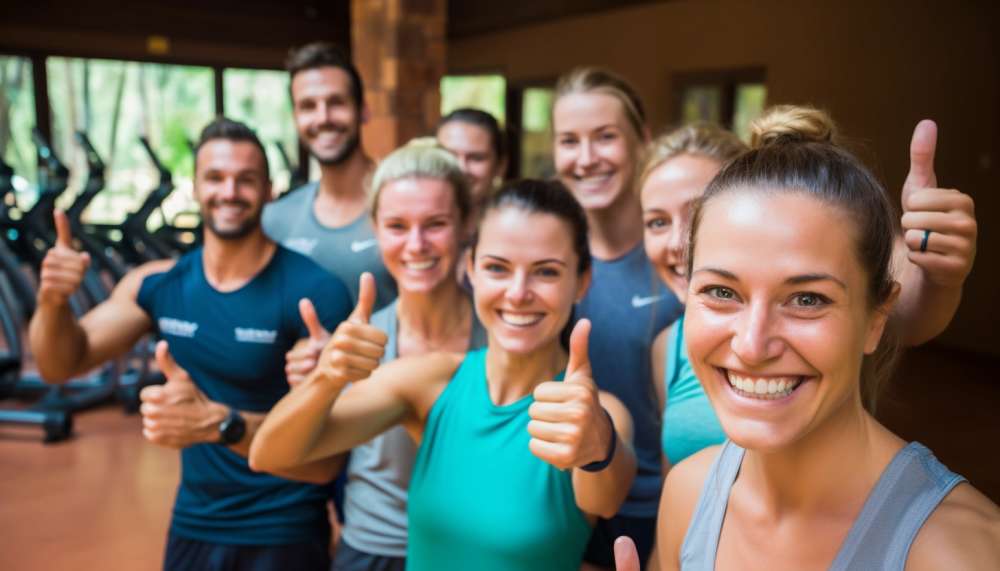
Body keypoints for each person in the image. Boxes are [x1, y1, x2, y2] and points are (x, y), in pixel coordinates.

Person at [655, 105, 999, 570]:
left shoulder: (961, 552)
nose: (752, 347)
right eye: (721, 292)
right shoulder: (686, 494)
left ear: (877, 317)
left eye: (807, 299)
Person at [250, 179, 638, 571]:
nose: (518, 293)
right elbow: (270, 453)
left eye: (546, 272)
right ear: (470, 269)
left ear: (582, 281)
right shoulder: (431, 383)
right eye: (497, 268)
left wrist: (597, 447)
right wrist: (327, 378)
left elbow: (603, 499)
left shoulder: (596, 414)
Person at [28, 118, 353, 570]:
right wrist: (52, 300)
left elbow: (325, 462)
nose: (229, 191)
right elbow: (61, 364)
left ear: (270, 189)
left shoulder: (313, 295)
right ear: (196, 187)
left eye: (246, 179)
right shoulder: (160, 285)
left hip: (283, 528)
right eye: (215, 178)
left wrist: (219, 425)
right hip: (194, 522)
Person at [640, 119, 978, 473]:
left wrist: (937, 277)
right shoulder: (667, 347)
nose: (679, 243)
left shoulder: (843, 321)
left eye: (806, 299)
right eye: (657, 222)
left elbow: (907, 315)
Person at [289, 138, 488, 571]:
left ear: (466, 224)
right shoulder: (355, 341)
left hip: (477, 551)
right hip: (375, 550)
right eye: (397, 226)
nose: (416, 244)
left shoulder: (503, 338)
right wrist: (317, 388)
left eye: (435, 223)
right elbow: (312, 464)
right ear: (375, 228)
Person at [552, 66, 682, 568]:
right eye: (569, 141)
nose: (586, 159)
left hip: (664, 501)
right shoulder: (548, 259)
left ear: (642, 141)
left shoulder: (677, 258)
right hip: (568, 500)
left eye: (605, 137)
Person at [263, 41, 396, 309]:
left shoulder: (404, 205)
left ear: (364, 110)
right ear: (296, 118)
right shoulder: (275, 219)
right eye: (308, 106)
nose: (323, 118)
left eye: (336, 102)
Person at [436, 107, 508, 220]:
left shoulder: (515, 228)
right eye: (449, 156)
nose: (461, 168)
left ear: (500, 166)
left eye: (476, 158)